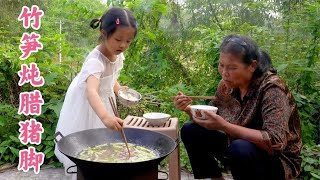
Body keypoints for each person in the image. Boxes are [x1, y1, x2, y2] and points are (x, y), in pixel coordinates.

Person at [173, 35, 302, 180]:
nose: (224, 73)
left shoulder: (272, 88)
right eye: (221, 65)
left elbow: (275, 141)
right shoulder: (226, 86)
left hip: (277, 160)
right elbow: (211, 118)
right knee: (191, 130)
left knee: (241, 148)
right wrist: (189, 109)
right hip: (236, 145)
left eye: (232, 68)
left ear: (252, 66)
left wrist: (225, 126)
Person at [54, 7, 138, 175]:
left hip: (104, 100)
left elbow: (111, 76)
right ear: (104, 33)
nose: (123, 45)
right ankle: (84, 173)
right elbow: (91, 91)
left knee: (105, 141)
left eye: (128, 41)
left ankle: (103, 171)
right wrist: (106, 117)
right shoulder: (95, 60)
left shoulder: (118, 54)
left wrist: (118, 88)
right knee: (87, 142)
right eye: (118, 39)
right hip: (89, 103)